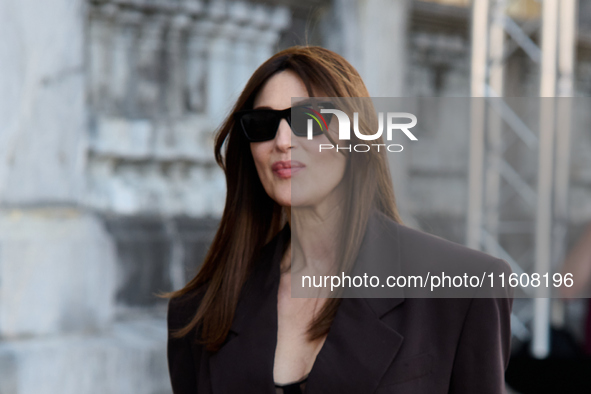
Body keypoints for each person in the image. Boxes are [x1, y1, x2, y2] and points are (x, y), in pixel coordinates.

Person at [163, 46, 513, 394]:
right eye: (263, 125)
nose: (283, 142)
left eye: (309, 121)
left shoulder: (466, 289)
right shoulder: (201, 312)